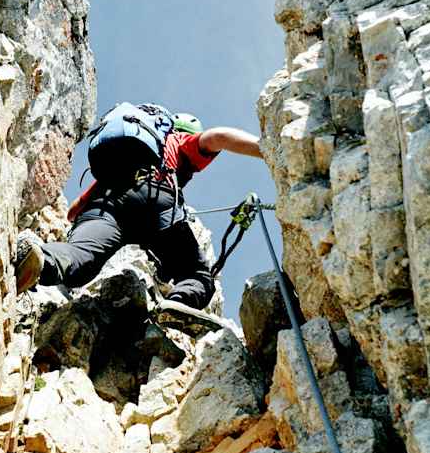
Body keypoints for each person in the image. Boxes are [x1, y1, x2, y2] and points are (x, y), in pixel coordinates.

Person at [14, 108, 263, 333]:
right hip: (156, 202)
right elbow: (218, 137)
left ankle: (41, 257)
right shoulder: (180, 141)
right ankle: (176, 303)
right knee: (197, 276)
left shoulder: (129, 155)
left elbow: (73, 212)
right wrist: (266, 149)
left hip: (107, 200)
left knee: (80, 261)